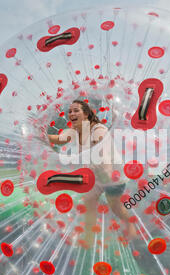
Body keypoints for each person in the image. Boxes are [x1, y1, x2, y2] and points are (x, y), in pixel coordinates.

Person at [48, 99, 136, 247]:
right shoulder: (75, 131)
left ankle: (130, 224)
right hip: (94, 176)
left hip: (112, 176)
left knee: (115, 207)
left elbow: (103, 150)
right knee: (89, 203)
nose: (71, 113)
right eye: (70, 111)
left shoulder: (98, 129)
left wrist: (107, 170)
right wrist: (43, 137)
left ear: (87, 114)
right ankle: (88, 240)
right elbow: (59, 139)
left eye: (76, 110)